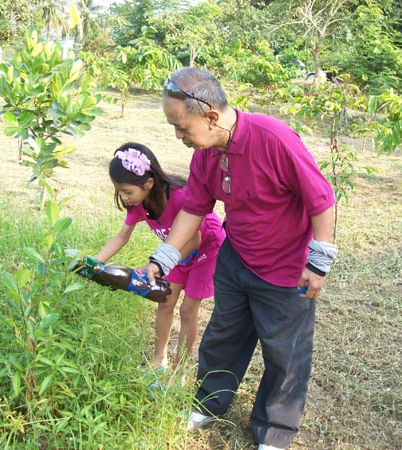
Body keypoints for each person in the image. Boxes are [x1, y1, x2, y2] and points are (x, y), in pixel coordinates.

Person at [141, 68, 338, 450]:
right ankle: (209, 404)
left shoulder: (274, 138)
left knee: (285, 354)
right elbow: (194, 209)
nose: (178, 137)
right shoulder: (207, 153)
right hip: (237, 259)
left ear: (211, 116)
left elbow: (321, 198)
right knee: (223, 336)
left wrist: (318, 262)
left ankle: (275, 430)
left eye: (181, 128)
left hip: (285, 269)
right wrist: (162, 259)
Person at [93, 142, 225, 372]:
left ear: (149, 183)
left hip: (206, 252)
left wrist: (161, 265)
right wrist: (95, 263)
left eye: (127, 192)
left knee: (187, 310)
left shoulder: (180, 197)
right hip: (175, 255)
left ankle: (180, 368)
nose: (124, 198)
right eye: (120, 192)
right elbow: (122, 236)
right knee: (164, 301)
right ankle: (159, 359)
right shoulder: (139, 203)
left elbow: (193, 239)